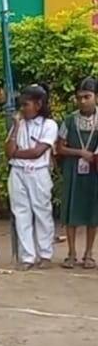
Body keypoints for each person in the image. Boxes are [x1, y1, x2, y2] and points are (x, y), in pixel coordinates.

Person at [6, 84, 59, 270]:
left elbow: (38, 152)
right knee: (21, 214)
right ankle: (27, 256)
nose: (22, 108)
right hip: (18, 173)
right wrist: (15, 128)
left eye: (26, 104)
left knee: (42, 212)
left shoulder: (49, 125)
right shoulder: (19, 124)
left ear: (38, 104)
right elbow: (9, 151)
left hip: (38, 173)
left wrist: (17, 153)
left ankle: (45, 254)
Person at [55, 78, 98, 269]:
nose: (82, 101)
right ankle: (71, 253)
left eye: (87, 97)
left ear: (96, 97)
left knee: (92, 211)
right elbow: (59, 148)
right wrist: (80, 153)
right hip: (73, 169)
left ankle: (88, 253)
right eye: (79, 98)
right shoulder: (69, 120)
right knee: (71, 210)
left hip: (94, 171)